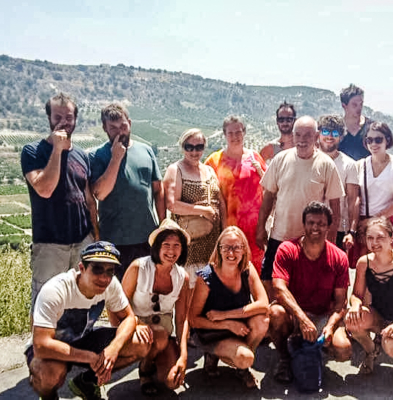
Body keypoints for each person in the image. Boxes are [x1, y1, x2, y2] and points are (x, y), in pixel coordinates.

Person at [25, 241, 147, 400]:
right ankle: (48, 395)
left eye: (110, 271)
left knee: (141, 343)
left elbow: (129, 318)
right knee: (50, 372)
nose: (104, 277)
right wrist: (90, 357)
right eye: (97, 269)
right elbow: (41, 345)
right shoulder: (55, 290)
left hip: (84, 339)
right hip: (53, 345)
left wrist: (113, 349)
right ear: (81, 268)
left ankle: (87, 383)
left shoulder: (111, 284)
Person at [21, 93, 98, 312]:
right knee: (45, 302)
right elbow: (44, 189)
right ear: (49, 118)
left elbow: (89, 200)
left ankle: (72, 344)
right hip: (49, 244)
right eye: (58, 116)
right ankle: (38, 347)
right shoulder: (33, 151)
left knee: (78, 300)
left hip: (82, 241)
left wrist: (95, 236)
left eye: (69, 117)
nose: (63, 121)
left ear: (76, 119)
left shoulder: (82, 155)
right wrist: (57, 149)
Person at [256, 116, 344, 293]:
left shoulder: (326, 165)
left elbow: (335, 208)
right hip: (280, 235)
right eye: (298, 135)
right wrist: (260, 228)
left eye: (308, 135)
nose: (302, 140)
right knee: (268, 283)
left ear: (316, 135)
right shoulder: (280, 159)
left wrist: (331, 242)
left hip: (310, 241)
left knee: (303, 290)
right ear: (293, 136)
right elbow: (268, 197)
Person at [269, 202, 351, 383]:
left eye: (321, 224)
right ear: (304, 224)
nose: (315, 227)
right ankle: (285, 358)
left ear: (329, 227)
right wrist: (302, 319)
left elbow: (340, 302)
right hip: (294, 314)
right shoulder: (287, 249)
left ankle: (312, 352)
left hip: (322, 314)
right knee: (275, 313)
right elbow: (279, 288)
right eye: (311, 222)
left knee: (344, 350)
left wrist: (330, 326)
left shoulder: (339, 257)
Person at [89, 103, 165, 280]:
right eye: (113, 128)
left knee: (144, 293)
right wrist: (116, 158)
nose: (119, 132)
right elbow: (100, 193)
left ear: (129, 122)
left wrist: (163, 226)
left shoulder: (146, 150)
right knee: (115, 297)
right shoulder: (97, 155)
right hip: (113, 240)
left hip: (146, 238)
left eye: (123, 126)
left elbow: (158, 190)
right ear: (104, 128)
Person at [189, 226, 269, 388]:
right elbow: (193, 319)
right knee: (245, 358)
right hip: (212, 332)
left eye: (236, 247)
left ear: (244, 249)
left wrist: (224, 315)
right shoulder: (206, 276)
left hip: (238, 325)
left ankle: (241, 368)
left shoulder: (247, 268)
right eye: (226, 247)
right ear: (218, 249)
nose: (231, 253)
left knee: (262, 320)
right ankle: (215, 354)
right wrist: (227, 323)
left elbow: (264, 304)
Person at [345, 217, 393, 377]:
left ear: (391, 237)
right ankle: (371, 351)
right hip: (378, 318)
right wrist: (354, 305)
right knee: (351, 321)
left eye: (380, 237)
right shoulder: (364, 263)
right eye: (370, 238)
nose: (375, 243)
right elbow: (357, 295)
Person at [121, 219, 191, 395]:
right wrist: (135, 323)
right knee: (158, 336)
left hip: (163, 333)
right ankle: (145, 370)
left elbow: (182, 319)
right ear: (157, 247)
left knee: (172, 382)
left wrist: (183, 356)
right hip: (134, 326)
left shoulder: (182, 277)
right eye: (166, 244)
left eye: (176, 245)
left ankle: (153, 359)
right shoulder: (139, 267)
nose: (171, 250)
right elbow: (118, 304)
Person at [163, 128, 226, 291]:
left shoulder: (210, 170)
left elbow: (220, 202)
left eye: (198, 147)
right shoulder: (176, 170)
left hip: (212, 244)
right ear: (182, 147)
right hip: (191, 247)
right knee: (190, 291)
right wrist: (202, 210)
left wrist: (224, 231)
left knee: (209, 292)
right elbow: (172, 204)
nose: (194, 151)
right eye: (189, 147)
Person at [205, 116, 267, 275]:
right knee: (232, 273)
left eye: (238, 132)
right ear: (224, 134)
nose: (235, 136)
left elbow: (268, 189)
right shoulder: (214, 161)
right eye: (230, 133)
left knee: (256, 274)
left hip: (255, 230)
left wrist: (264, 226)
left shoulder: (255, 158)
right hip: (228, 229)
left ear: (244, 132)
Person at [349, 122, 393, 269]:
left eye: (378, 139)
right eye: (369, 140)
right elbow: (354, 199)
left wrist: (374, 220)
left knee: (388, 270)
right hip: (363, 226)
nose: (373, 144)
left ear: (387, 140)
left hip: (387, 223)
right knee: (364, 270)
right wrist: (352, 227)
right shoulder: (359, 165)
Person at [317, 115, 360, 250]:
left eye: (335, 133)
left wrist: (351, 232)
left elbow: (353, 200)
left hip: (338, 230)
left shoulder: (349, 165)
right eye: (325, 132)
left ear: (341, 137)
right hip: (309, 225)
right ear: (318, 133)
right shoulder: (309, 160)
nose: (330, 136)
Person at [339, 84, 372, 160]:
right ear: (344, 106)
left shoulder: (371, 127)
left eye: (361, 104)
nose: (359, 108)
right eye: (354, 105)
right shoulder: (337, 129)